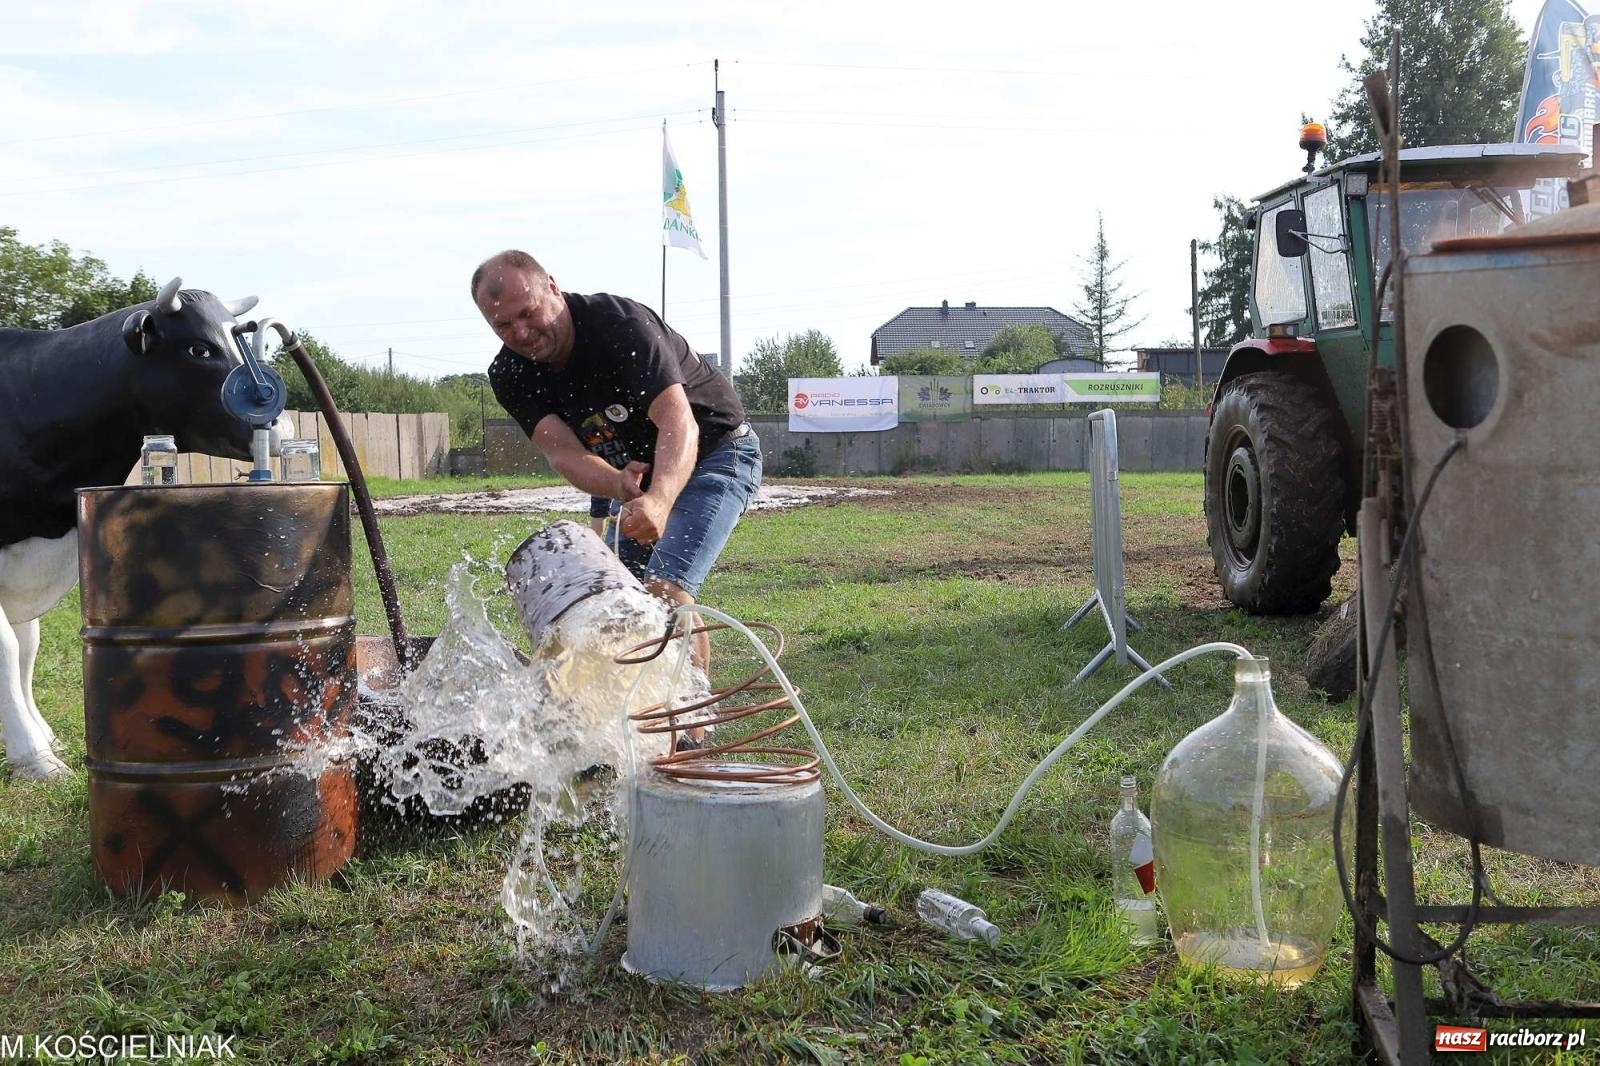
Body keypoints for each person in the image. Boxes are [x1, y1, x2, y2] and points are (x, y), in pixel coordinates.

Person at [473, 249, 761, 681]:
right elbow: (565, 454)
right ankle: (645, 712)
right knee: (626, 601)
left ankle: (692, 717)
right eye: (503, 325)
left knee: (665, 587)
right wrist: (618, 484)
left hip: (716, 453)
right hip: (642, 477)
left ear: (552, 287)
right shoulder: (510, 374)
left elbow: (678, 421)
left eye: (528, 312)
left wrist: (659, 500)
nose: (522, 332)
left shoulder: (619, 324)